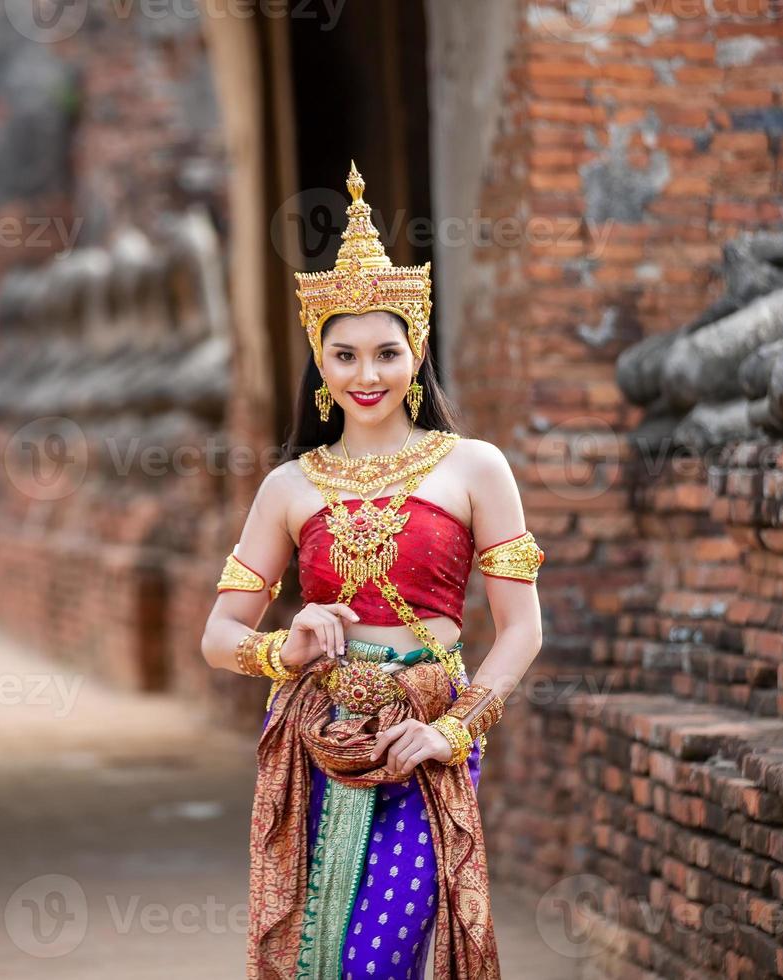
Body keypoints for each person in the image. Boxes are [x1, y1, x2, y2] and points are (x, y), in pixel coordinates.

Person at [200, 162, 545, 980]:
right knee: (313, 951)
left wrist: (454, 730)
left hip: (424, 734)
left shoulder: (474, 468)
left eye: (386, 353)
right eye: (345, 354)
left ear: (416, 352)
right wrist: (283, 648)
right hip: (315, 736)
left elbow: (523, 627)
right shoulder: (290, 486)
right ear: (320, 362)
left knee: (375, 958)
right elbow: (218, 636)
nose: (367, 375)